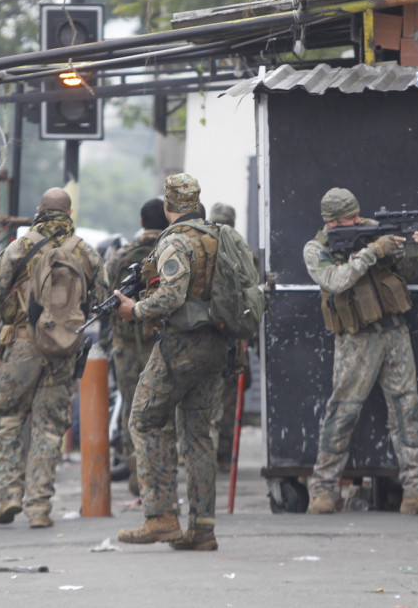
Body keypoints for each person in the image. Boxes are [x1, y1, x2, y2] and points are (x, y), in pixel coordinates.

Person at [302, 187, 418, 516]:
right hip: (357, 340)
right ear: (333, 222)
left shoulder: (376, 230)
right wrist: (372, 251)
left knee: (406, 410)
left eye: (357, 214)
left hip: (394, 331)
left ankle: (415, 490)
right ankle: (323, 490)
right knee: (343, 413)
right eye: (349, 218)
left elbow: (408, 273)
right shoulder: (316, 249)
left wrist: (415, 248)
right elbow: (336, 281)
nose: (358, 220)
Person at [114, 173, 227, 551]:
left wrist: (135, 309)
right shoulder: (217, 237)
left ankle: (161, 515)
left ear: (168, 207)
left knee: (144, 420)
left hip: (181, 345)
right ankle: (203, 528)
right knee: (198, 435)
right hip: (217, 345)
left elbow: (171, 297)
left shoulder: (176, 242)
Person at [0, 187, 109, 528]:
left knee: (9, 418)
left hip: (22, 345)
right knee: (49, 427)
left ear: (39, 210)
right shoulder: (84, 251)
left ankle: (9, 495)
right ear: (69, 215)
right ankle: (39, 507)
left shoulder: (20, 246)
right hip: (63, 348)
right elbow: (100, 300)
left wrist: (18, 312)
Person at [103, 197, 175, 497]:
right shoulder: (172, 252)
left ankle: (138, 476)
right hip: (164, 345)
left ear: (142, 222)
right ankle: (163, 478)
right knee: (164, 412)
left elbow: (107, 295)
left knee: (133, 410)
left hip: (127, 347)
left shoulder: (120, 256)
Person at [208, 202, 250, 473]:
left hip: (211, 336)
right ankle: (221, 458)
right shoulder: (243, 254)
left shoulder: (202, 248)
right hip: (232, 337)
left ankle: (209, 458)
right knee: (226, 402)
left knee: (209, 402)